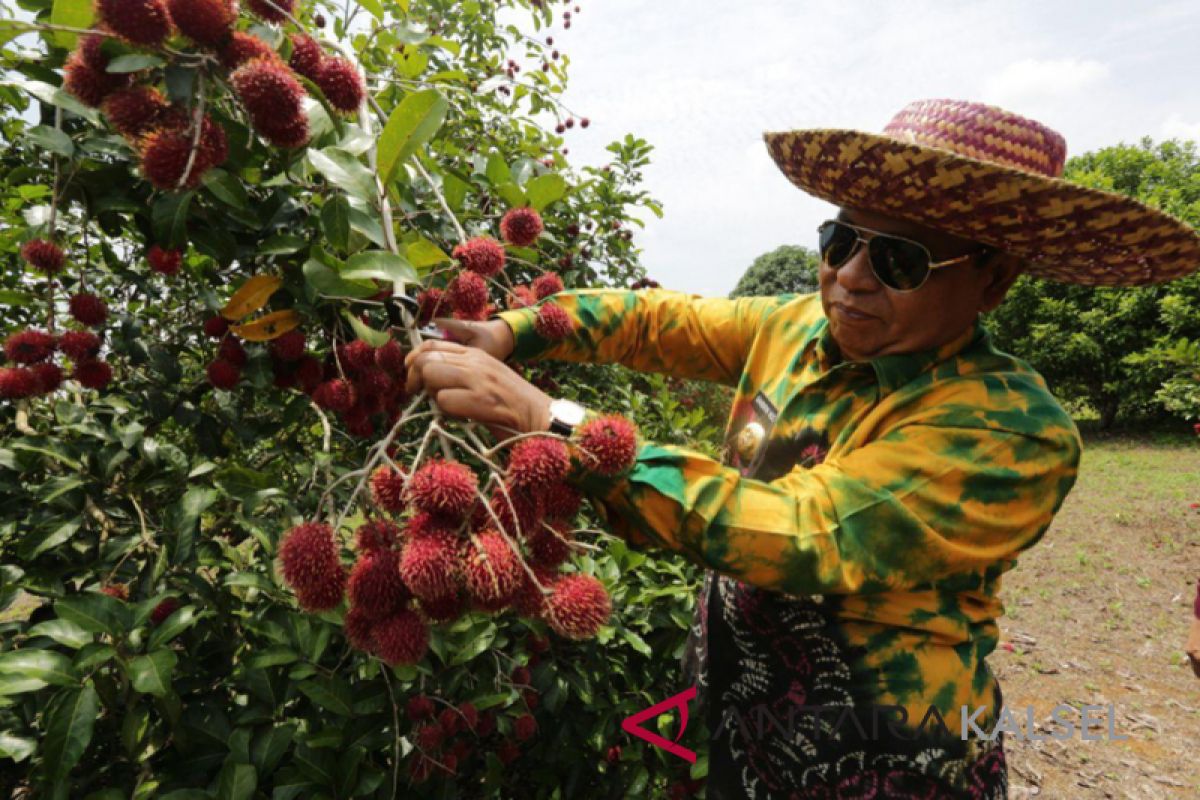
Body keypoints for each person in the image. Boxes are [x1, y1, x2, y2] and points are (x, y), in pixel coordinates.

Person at [403, 99, 1200, 798]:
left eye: (899, 259)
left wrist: (556, 421)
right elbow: (656, 319)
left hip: (888, 758)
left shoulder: (1011, 432)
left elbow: (804, 531)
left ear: (994, 282)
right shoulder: (794, 328)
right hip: (734, 708)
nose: (851, 276)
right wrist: (514, 329)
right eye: (840, 238)